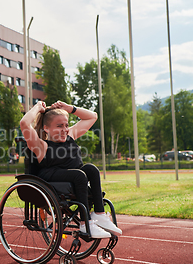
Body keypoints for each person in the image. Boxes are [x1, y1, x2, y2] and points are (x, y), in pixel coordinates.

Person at [20, 100, 122, 239]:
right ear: (46, 128)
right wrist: (38, 107)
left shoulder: (71, 136)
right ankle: (85, 223)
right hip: (51, 178)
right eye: (59, 126)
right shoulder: (41, 146)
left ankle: (99, 214)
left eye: (66, 125)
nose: (65, 129)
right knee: (79, 175)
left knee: (91, 169)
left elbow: (92, 116)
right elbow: (24, 124)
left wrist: (70, 108)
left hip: (74, 177)